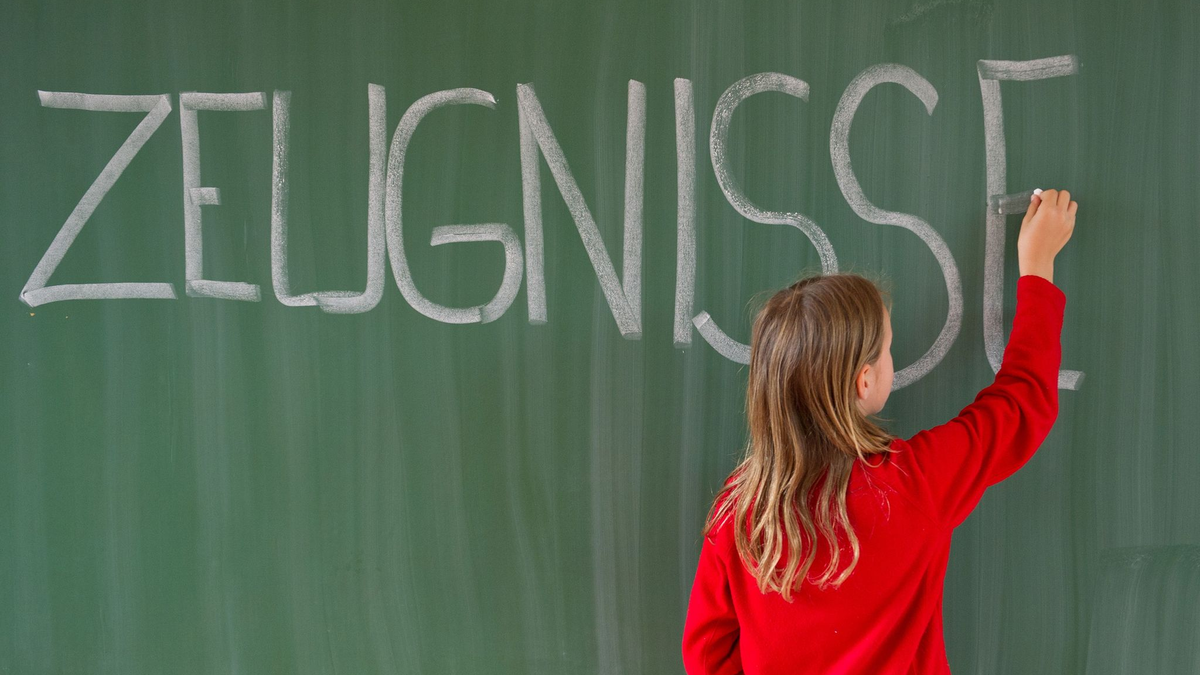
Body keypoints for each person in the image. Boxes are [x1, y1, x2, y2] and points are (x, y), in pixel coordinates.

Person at [681, 189, 1078, 674]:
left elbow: (707, 655)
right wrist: (1037, 266)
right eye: (888, 348)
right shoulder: (916, 483)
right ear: (864, 380)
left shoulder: (739, 511)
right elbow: (1023, 401)